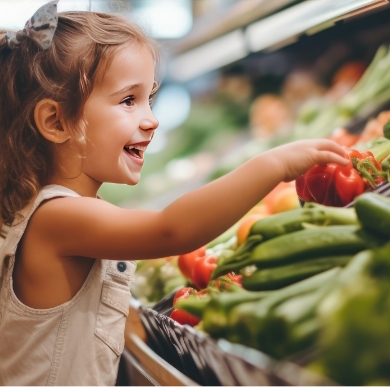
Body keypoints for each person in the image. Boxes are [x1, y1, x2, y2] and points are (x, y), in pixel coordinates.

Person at [0, 1, 349, 385]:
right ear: (56, 121)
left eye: (150, 97)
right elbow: (173, 230)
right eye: (128, 101)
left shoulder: (57, 210)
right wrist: (274, 165)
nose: (151, 119)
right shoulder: (58, 218)